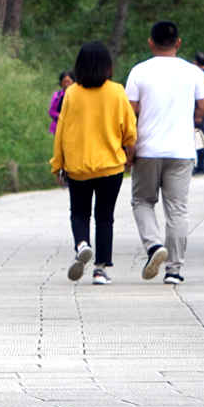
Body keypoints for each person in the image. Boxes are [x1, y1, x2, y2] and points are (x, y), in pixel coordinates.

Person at [124, 20, 204, 286]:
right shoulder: (193, 72)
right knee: (177, 210)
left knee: (142, 201)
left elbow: (129, 110)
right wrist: (189, 113)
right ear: (178, 43)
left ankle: (154, 246)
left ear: (150, 43)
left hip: (147, 150)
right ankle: (174, 270)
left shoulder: (139, 71)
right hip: (181, 150)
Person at [51, 41, 136, 286]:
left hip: (78, 166)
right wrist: (129, 152)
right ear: (108, 66)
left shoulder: (71, 93)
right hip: (110, 165)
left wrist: (58, 164)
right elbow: (129, 129)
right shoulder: (117, 91)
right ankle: (100, 270)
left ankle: (82, 244)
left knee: (79, 211)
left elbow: (62, 131)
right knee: (105, 217)